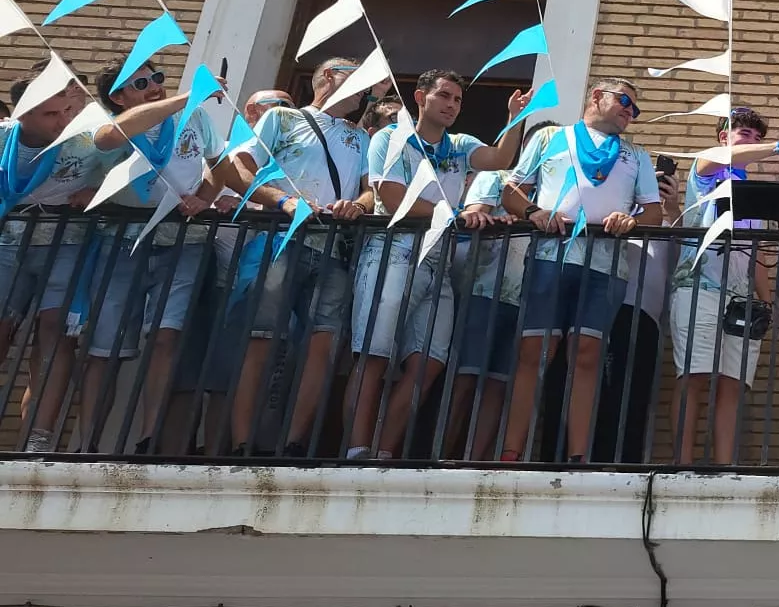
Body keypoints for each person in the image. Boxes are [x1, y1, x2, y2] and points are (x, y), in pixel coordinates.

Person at [345, 71, 528, 460]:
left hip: (438, 262)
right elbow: (393, 198)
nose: (451, 105)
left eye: (458, 100)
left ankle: (383, 453)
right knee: (374, 355)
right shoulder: (390, 138)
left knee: (429, 363)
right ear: (420, 97)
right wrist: (455, 215)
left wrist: (516, 117)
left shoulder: (459, 145)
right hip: (393, 252)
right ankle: (356, 451)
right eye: (444, 96)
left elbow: (499, 159)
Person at [223, 55, 379, 457]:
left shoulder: (360, 137)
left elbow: (370, 190)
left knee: (324, 344)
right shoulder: (282, 120)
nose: (364, 88)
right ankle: (242, 444)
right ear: (329, 76)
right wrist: (284, 201)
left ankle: (293, 443)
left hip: (332, 246)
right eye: (357, 78)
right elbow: (237, 168)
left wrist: (358, 206)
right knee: (261, 338)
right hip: (279, 239)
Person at [500, 79, 662, 463]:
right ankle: (509, 452)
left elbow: (653, 212)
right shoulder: (549, 138)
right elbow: (511, 190)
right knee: (534, 351)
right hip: (549, 256)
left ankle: (578, 456)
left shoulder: (636, 155)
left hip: (606, 263)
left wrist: (631, 219)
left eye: (634, 109)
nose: (629, 112)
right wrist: (533, 212)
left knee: (588, 353)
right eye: (624, 101)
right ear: (596, 96)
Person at [76, 61, 224, 455]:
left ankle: (149, 438)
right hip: (122, 242)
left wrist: (204, 198)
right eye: (141, 83)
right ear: (117, 97)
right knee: (103, 349)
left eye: (157, 78)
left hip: (185, 241)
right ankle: (87, 442)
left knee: (166, 337)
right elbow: (111, 137)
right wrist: (186, 97)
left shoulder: (194, 117)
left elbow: (219, 166)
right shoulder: (103, 120)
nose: (154, 87)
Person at [669, 105, 779, 464]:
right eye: (744, 134)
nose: (753, 141)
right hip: (697, 289)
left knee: (733, 384)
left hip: (739, 298)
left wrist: (765, 302)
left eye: (757, 137)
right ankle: (680, 466)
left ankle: (725, 467)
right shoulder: (705, 170)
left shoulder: (752, 192)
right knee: (694, 377)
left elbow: (754, 258)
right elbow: (721, 158)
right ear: (724, 137)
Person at [1, 75, 111, 453]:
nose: (62, 121)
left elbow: (133, 171)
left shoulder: (88, 138)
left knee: (55, 334)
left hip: (68, 244)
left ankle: (38, 441)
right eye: (50, 114)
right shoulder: (2, 138)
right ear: (22, 115)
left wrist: (100, 191)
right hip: (6, 243)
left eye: (65, 111)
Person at [450, 122, 561, 460]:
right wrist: (499, 222)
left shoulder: (553, 190)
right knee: (466, 378)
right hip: (485, 289)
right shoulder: (498, 177)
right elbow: (472, 216)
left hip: (527, 298)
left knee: (500, 384)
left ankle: (475, 460)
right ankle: (442, 455)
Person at [600, 155, 681, 463]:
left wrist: (671, 210)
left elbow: (679, 262)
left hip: (646, 315)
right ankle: (592, 456)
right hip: (612, 304)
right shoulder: (620, 208)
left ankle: (627, 461)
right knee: (602, 389)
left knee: (636, 393)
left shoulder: (668, 217)